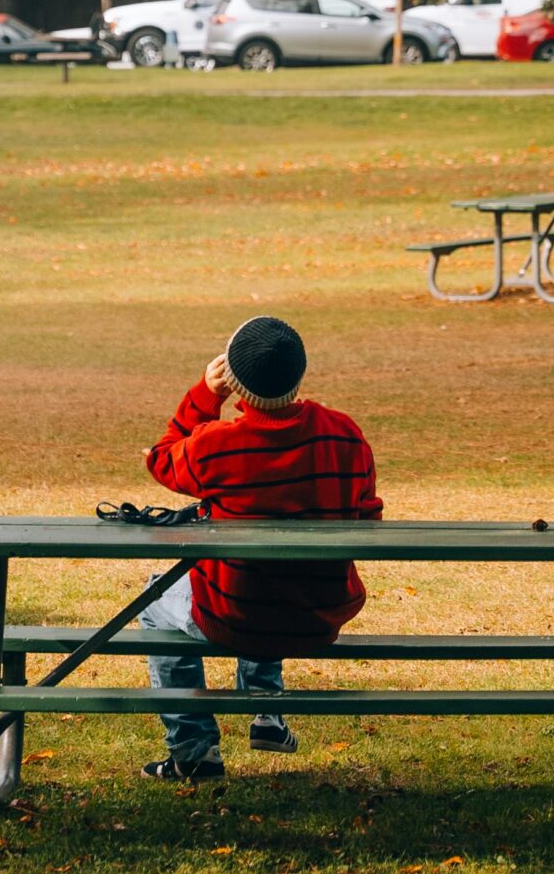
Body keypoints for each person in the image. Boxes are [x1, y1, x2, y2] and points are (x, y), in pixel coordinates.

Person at [136, 315, 382, 781]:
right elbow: (368, 519)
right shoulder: (343, 435)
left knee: (156, 600)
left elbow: (162, 457)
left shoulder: (216, 447)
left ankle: (194, 751)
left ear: (236, 381)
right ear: (298, 371)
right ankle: (267, 710)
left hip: (235, 615)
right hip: (318, 610)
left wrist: (207, 396)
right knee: (272, 573)